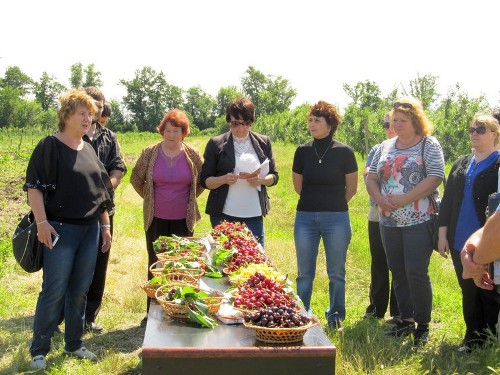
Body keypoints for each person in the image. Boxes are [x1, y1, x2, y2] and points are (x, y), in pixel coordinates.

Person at [26, 90, 114, 370]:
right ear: (66, 116)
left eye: (90, 113)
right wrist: (42, 223)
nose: (89, 118)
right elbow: (34, 188)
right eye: (82, 113)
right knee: (54, 289)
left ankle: (74, 344)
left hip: (90, 231)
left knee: (79, 289)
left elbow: (100, 192)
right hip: (60, 231)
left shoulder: (87, 148)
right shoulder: (49, 146)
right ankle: (39, 349)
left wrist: (105, 225)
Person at [366, 97, 445, 345]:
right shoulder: (384, 146)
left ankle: (422, 325)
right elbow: (370, 176)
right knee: (398, 271)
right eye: (394, 120)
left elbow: (435, 177)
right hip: (388, 221)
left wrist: (402, 199)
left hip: (418, 220)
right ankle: (405, 320)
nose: (397, 124)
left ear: (415, 121)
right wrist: (380, 199)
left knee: (416, 271)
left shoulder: (428, 144)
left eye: (403, 120)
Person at [130, 108, 204, 318]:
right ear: (162, 131)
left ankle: (178, 310)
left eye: (176, 131)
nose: (172, 135)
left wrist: (190, 199)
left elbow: (201, 182)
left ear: (184, 133)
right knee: (156, 265)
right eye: (168, 130)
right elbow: (136, 178)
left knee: (181, 266)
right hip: (156, 218)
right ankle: (152, 314)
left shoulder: (192, 154)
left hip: (183, 218)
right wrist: (150, 198)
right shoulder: (150, 153)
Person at [292, 100, 358, 330]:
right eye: (310, 120)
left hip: (337, 218)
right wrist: (315, 203)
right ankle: (301, 314)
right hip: (305, 217)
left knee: (336, 271)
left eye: (317, 120)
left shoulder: (345, 152)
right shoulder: (302, 151)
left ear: (330, 124)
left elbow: (351, 189)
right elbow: (298, 186)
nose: (312, 124)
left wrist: (332, 205)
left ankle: (336, 316)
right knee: (304, 273)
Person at [438, 114, 500, 352]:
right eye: (472, 129)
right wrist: (442, 234)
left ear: (494, 133)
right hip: (457, 238)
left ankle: (491, 341)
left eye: (481, 129)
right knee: (469, 291)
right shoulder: (461, 163)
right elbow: (448, 201)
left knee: (490, 290)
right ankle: (472, 339)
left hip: (489, 241)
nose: (474, 133)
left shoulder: (498, 164)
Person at [200, 97, 278, 247]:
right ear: (229, 120)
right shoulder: (216, 144)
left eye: (246, 123)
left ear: (252, 121)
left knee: (256, 261)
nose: (241, 128)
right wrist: (223, 179)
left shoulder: (264, 142)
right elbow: (205, 181)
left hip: (254, 214)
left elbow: (274, 176)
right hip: (223, 215)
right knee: (225, 260)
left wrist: (262, 180)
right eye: (236, 123)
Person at [81, 87, 126, 334]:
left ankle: (88, 318)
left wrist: (107, 187)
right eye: (92, 103)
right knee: (70, 265)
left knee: (99, 263)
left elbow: (118, 166)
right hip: (73, 213)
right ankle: (57, 318)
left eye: (100, 104)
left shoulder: (109, 137)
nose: (97, 108)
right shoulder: (69, 135)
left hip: (104, 210)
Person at [363, 112, 399, 321]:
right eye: (386, 124)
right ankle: (376, 308)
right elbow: (368, 178)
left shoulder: (415, 148)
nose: (390, 128)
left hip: (404, 213)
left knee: (399, 264)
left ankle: (398, 312)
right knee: (378, 261)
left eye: (394, 123)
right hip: (377, 213)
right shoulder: (378, 149)